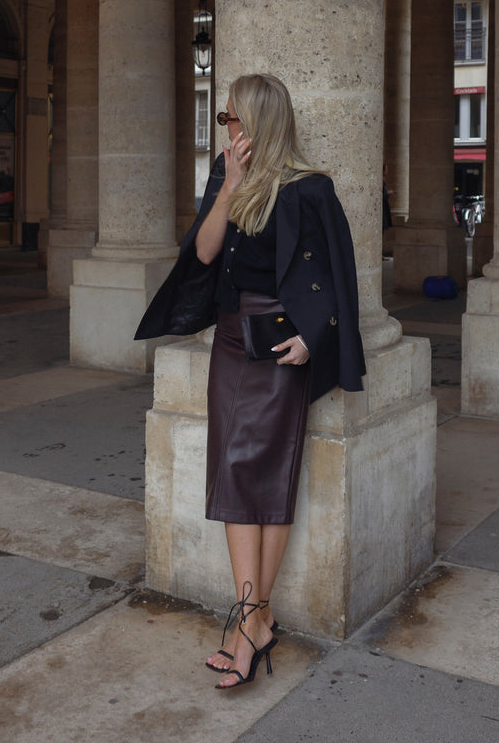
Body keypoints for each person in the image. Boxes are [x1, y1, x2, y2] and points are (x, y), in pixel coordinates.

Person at [135, 74, 365, 690]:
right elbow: (205, 253)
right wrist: (231, 186)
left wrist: (314, 337)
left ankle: (249, 624)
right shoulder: (226, 176)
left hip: (281, 342)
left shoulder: (311, 189)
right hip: (233, 339)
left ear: (257, 121)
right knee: (234, 470)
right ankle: (255, 619)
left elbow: (337, 274)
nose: (226, 126)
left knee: (270, 475)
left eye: (230, 117)